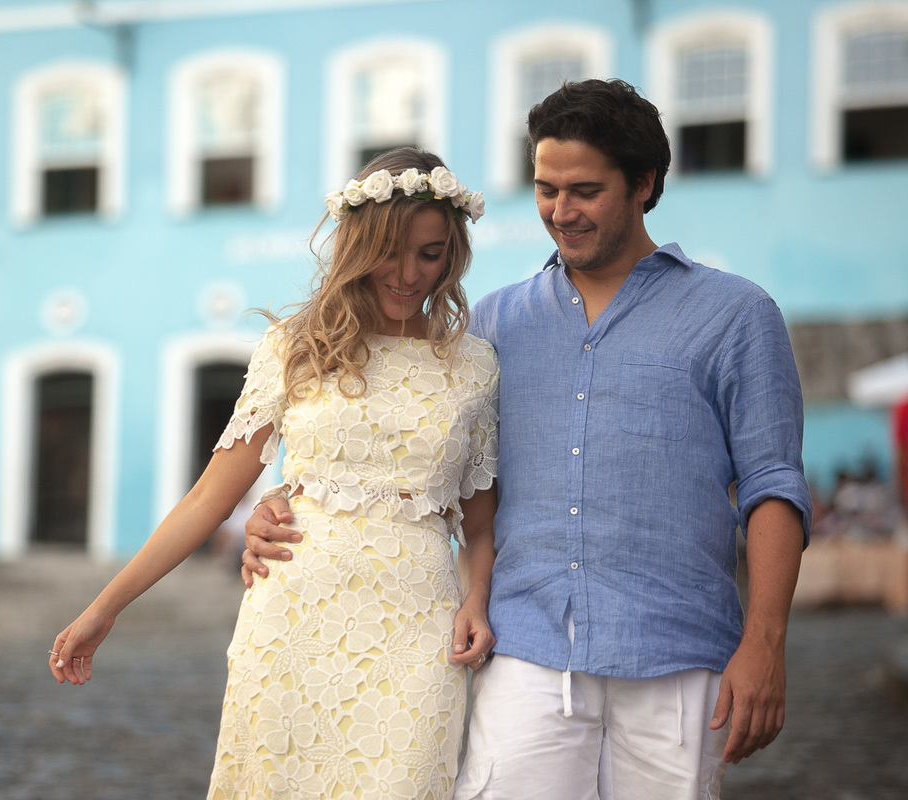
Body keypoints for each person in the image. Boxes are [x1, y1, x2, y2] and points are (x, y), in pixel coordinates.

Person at [242, 79, 813, 799]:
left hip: (675, 653)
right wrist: (286, 503)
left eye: (584, 190)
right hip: (526, 652)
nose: (560, 211)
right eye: (546, 189)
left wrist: (765, 645)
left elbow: (773, 488)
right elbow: (421, 461)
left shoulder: (735, 315)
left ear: (644, 184)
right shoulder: (492, 327)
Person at [50, 147, 501, 799]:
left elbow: (481, 525)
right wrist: (104, 608)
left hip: (418, 631)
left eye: (429, 254)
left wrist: (478, 601)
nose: (408, 273)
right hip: (292, 622)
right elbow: (210, 496)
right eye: (390, 251)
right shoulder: (295, 350)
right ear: (357, 246)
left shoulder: (474, 366)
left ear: (452, 255)